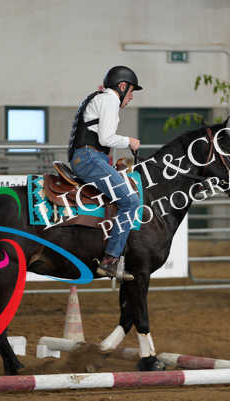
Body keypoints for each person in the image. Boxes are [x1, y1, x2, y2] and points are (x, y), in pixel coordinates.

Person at [68, 65, 142, 280]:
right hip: (90, 159)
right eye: (131, 92)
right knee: (131, 202)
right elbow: (106, 138)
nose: (131, 97)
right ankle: (110, 261)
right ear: (122, 86)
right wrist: (130, 141)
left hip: (88, 157)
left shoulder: (99, 98)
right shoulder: (109, 100)